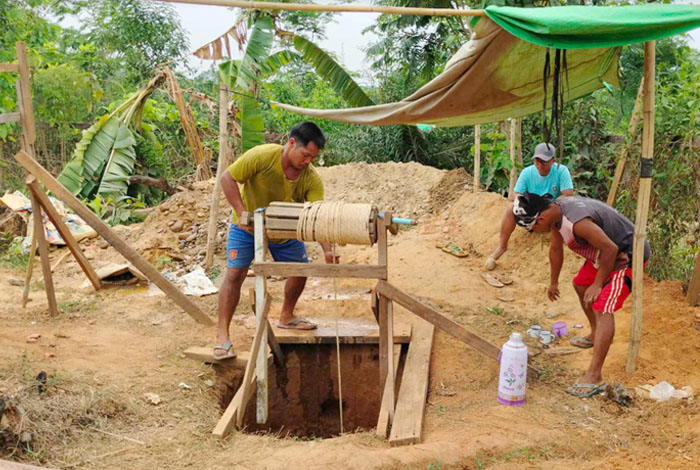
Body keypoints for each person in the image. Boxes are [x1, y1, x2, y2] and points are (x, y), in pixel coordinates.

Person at [214, 121, 338, 360]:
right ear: (292, 143)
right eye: (305, 155)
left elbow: (317, 216)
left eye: (313, 157)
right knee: (235, 274)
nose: (308, 161)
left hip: (284, 231)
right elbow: (227, 178)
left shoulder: (311, 179)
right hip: (247, 228)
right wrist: (241, 212)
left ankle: (287, 316)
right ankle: (222, 336)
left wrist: (328, 250)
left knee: (300, 270)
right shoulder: (262, 156)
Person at [512, 191, 651, 398]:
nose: (536, 232)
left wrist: (598, 284)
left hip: (626, 255)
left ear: (540, 218)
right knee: (580, 285)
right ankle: (596, 334)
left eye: (534, 229)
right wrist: (553, 282)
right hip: (603, 254)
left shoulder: (577, 223)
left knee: (602, 307)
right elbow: (556, 250)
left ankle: (594, 375)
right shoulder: (556, 214)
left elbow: (610, 248)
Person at [485, 142, 574, 270]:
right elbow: (514, 194)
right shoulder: (527, 172)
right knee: (511, 207)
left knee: (569, 205)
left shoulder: (561, 170)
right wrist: (526, 203)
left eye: (544, 161)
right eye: (537, 161)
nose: (540, 165)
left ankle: (568, 239)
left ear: (553, 161)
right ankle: (501, 247)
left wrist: (548, 206)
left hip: (551, 213)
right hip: (530, 215)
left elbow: (568, 194)